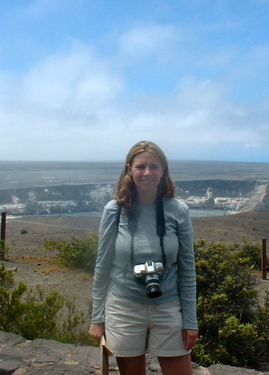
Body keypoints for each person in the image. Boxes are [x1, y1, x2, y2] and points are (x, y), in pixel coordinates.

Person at [88, 140, 198, 375]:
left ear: (163, 170)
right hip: (124, 307)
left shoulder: (178, 210)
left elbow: (187, 269)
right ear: (129, 169)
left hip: (168, 306)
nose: (147, 173)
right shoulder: (114, 210)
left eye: (154, 166)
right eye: (140, 167)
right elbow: (103, 265)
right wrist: (97, 318)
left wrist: (190, 322)